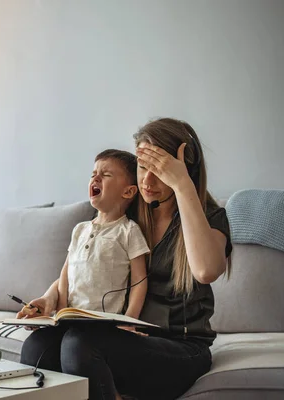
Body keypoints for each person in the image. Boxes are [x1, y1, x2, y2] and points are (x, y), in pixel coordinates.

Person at [17, 118, 233, 400]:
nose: (147, 181)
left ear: (184, 171)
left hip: (180, 347)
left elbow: (206, 270)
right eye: (143, 167)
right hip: (122, 337)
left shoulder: (210, 218)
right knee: (37, 346)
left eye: (160, 171)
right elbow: (87, 267)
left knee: (79, 345)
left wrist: (183, 186)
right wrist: (48, 298)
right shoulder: (127, 217)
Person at [18, 149, 150, 324]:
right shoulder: (79, 229)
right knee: (34, 342)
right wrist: (61, 313)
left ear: (128, 192)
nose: (96, 178)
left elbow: (139, 281)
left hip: (101, 322)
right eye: (94, 174)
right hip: (69, 316)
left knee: (74, 342)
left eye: (106, 175)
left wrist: (129, 321)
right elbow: (66, 274)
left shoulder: (129, 230)